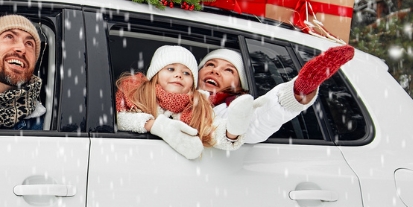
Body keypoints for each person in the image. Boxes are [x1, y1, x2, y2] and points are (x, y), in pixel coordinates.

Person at [196, 44, 355, 148]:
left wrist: (301, 88)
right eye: (210, 64)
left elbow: (258, 121)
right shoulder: (176, 91)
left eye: (229, 70)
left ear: (239, 85)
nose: (215, 71)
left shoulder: (232, 108)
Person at [114, 45, 253, 160]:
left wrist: (232, 131)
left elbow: (212, 131)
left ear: (193, 83)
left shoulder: (198, 106)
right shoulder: (136, 94)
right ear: (155, 74)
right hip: (135, 159)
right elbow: (118, 119)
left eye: (186, 73)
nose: (179, 75)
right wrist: (155, 125)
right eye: (170, 69)